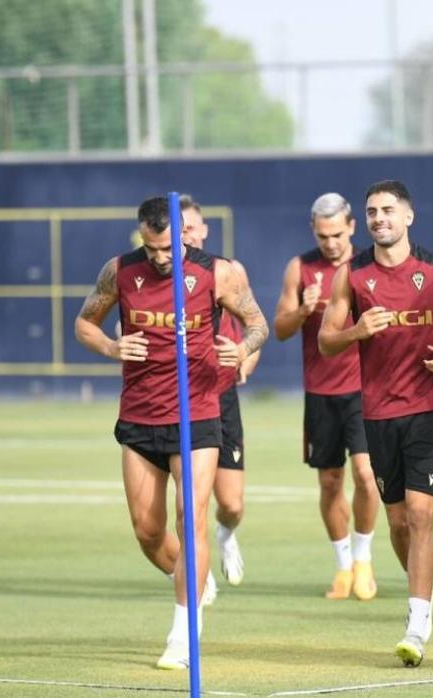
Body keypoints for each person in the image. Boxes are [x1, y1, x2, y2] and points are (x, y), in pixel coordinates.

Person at [74, 196, 268, 669]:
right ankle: (194, 578)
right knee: (146, 529)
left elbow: (258, 324)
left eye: (167, 247)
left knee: (191, 518)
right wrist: (112, 346)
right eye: (152, 247)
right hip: (140, 416)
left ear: (183, 233)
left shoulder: (217, 273)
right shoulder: (119, 271)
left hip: (197, 414)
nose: (161, 257)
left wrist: (239, 350)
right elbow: (84, 323)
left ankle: (184, 632)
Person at [319, 180, 433, 667]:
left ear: (408, 217)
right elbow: (327, 340)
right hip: (378, 412)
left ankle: (417, 620)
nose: (379, 218)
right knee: (396, 521)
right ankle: (423, 583)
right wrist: (355, 331)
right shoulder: (352, 275)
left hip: (428, 407)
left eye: (388, 210)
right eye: (372, 212)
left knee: (421, 512)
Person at [273, 193, 381, 601]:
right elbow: (280, 328)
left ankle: (364, 559)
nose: (331, 243)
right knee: (330, 481)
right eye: (323, 236)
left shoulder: (369, 267)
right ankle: (341, 568)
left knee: (367, 477)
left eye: (337, 234)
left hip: (363, 389)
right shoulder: (300, 268)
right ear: (313, 231)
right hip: (321, 392)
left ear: (352, 226)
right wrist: (302, 311)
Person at [180, 195, 260, 588]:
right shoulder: (159, 275)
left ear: (204, 230)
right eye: (178, 230)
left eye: (191, 227)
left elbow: (254, 327)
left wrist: (245, 357)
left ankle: (226, 535)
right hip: (178, 398)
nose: (186, 235)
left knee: (230, 503)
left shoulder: (226, 272)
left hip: (221, 393)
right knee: (189, 501)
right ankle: (198, 573)